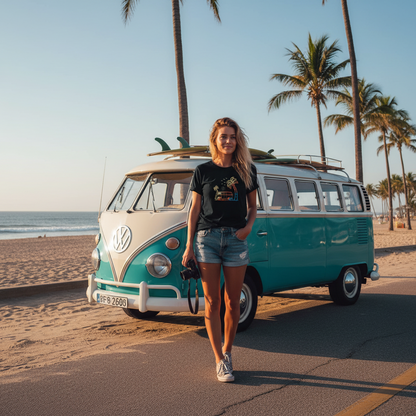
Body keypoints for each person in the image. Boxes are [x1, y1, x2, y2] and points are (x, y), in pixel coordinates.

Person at [182, 117, 258, 382]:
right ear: (215, 139)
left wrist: (248, 227)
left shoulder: (246, 170)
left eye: (232, 136)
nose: (228, 141)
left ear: (238, 141)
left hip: (236, 239)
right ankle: (219, 360)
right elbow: (193, 210)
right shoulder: (202, 171)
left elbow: (253, 207)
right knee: (213, 302)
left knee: (232, 302)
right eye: (223, 136)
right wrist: (189, 245)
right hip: (207, 240)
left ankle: (228, 351)